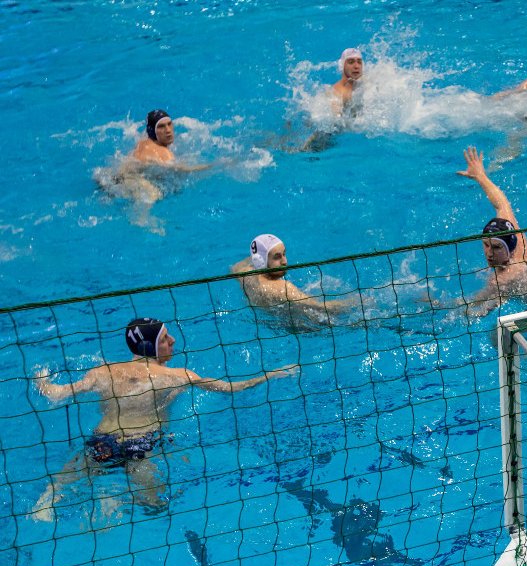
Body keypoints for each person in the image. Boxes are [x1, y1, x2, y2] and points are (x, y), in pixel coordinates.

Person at [30, 318, 296, 521]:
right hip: (142, 445)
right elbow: (232, 388)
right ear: (151, 345)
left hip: (103, 441)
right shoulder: (178, 375)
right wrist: (271, 375)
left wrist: (41, 381)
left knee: (65, 480)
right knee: (155, 505)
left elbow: (56, 394)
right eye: (166, 338)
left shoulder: (104, 372)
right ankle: (116, 501)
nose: (173, 342)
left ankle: (45, 504)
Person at [456, 146, 527, 316]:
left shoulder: (503, 280)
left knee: (496, 337)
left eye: (496, 247)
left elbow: (473, 307)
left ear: (510, 248)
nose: (489, 253)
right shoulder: (517, 239)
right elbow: (501, 203)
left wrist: (437, 305)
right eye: (485, 245)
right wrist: (480, 176)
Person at [102, 110, 212, 233]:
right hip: (133, 179)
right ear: (152, 131)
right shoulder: (164, 153)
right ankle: (141, 220)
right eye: (161, 126)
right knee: (153, 194)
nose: (168, 130)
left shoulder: (142, 143)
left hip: (116, 174)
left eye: (170, 124)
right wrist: (212, 166)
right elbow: (183, 170)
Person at [231, 234, 359, 325]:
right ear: (261, 261)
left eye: (284, 254)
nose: (285, 261)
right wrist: (355, 302)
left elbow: (235, 266)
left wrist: (261, 251)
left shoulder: (243, 274)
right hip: (296, 324)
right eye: (277, 257)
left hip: (269, 320)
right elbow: (321, 307)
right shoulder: (282, 288)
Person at [301, 48, 365, 152]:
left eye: (359, 62)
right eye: (351, 62)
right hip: (326, 138)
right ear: (342, 65)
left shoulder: (361, 84)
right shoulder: (338, 93)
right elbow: (330, 123)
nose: (356, 66)